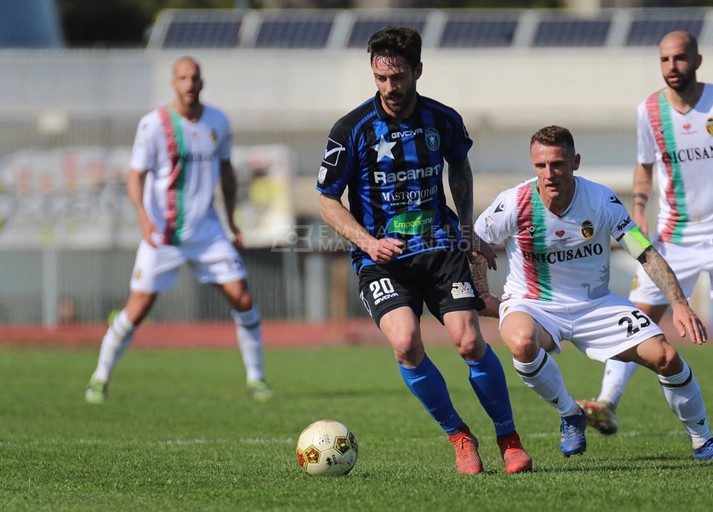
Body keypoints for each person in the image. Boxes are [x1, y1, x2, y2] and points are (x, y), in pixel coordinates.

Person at [316, 26, 531, 474]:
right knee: (405, 344)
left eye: (397, 77)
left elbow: (461, 171)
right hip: (383, 261)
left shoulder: (443, 120)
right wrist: (368, 242)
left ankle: (508, 439)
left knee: (470, 341)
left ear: (417, 70)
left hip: (439, 248)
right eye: (380, 78)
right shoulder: (351, 129)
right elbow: (326, 201)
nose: (389, 88)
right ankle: (459, 436)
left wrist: (468, 229)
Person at [474, 125, 713, 460]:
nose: (549, 173)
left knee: (666, 357)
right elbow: (475, 240)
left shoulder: (601, 199)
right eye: (540, 166)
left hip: (595, 304)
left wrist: (679, 303)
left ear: (576, 162)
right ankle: (571, 414)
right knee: (521, 341)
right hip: (534, 303)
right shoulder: (514, 202)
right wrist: (482, 292)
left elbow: (644, 251)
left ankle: (704, 442)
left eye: (557, 164)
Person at [577, 30, 713, 435]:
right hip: (673, 236)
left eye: (680, 59)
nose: (671, 67)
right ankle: (607, 403)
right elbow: (644, 166)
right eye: (664, 60)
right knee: (640, 317)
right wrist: (640, 208)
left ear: (697, 61)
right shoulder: (648, 110)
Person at [84, 56, 272, 404]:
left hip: (207, 231)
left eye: (194, 77)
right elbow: (135, 176)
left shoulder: (218, 120)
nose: (189, 83)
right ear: (174, 83)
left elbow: (227, 173)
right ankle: (99, 377)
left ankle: (257, 379)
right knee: (137, 309)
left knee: (243, 298)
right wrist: (143, 218)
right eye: (182, 77)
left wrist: (231, 220)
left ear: (202, 82)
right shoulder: (153, 125)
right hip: (164, 235)